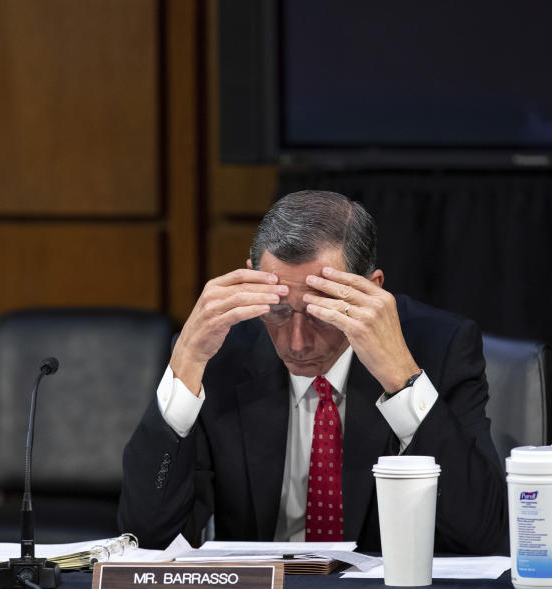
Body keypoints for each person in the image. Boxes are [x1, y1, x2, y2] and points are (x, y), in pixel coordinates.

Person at [118, 190, 506, 554]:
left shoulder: (440, 347)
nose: (296, 343)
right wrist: (184, 366)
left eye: (322, 312)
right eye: (279, 310)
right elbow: (148, 540)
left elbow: (484, 534)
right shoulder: (219, 352)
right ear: (251, 279)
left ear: (371, 290)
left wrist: (402, 382)